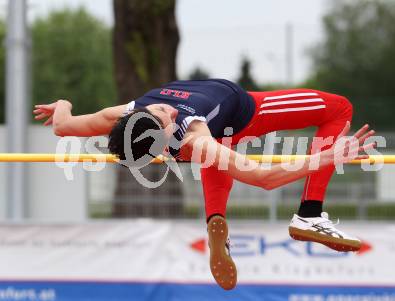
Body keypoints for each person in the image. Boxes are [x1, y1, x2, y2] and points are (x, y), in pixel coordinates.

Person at [34, 78, 375, 290]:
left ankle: (216, 220)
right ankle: (310, 213)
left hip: (214, 135)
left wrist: (60, 105)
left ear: (132, 117)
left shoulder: (120, 115)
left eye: (155, 109)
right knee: (338, 108)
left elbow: (63, 126)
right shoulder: (196, 137)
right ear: (165, 135)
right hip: (246, 111)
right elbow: (263, 178)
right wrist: (329, 157)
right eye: (165, 117)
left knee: (217, 148)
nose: (165, 108)